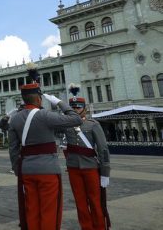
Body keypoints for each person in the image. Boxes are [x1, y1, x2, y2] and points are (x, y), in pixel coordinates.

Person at [8, 81, 82, 230]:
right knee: (49, 212)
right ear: (38, 99)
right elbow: (76, 119)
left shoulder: (14, 119)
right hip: (48, 170)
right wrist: (60, 102)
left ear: (24, 99)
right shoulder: (46, 115)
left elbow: (13, 149)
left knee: (32, 210)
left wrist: (18, 169)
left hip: (27, 170)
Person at [62, 84, 111, 230]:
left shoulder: (93, 124)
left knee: (95, 201)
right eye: (73, 108)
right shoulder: (66, 125)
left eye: (78, 107)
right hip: (73, 168)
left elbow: (103, 150)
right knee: (80, 202)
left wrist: (105, 173)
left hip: (90, 168)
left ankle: (99, 227)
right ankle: (86, 227)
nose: (76, 110)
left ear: (85, 108)